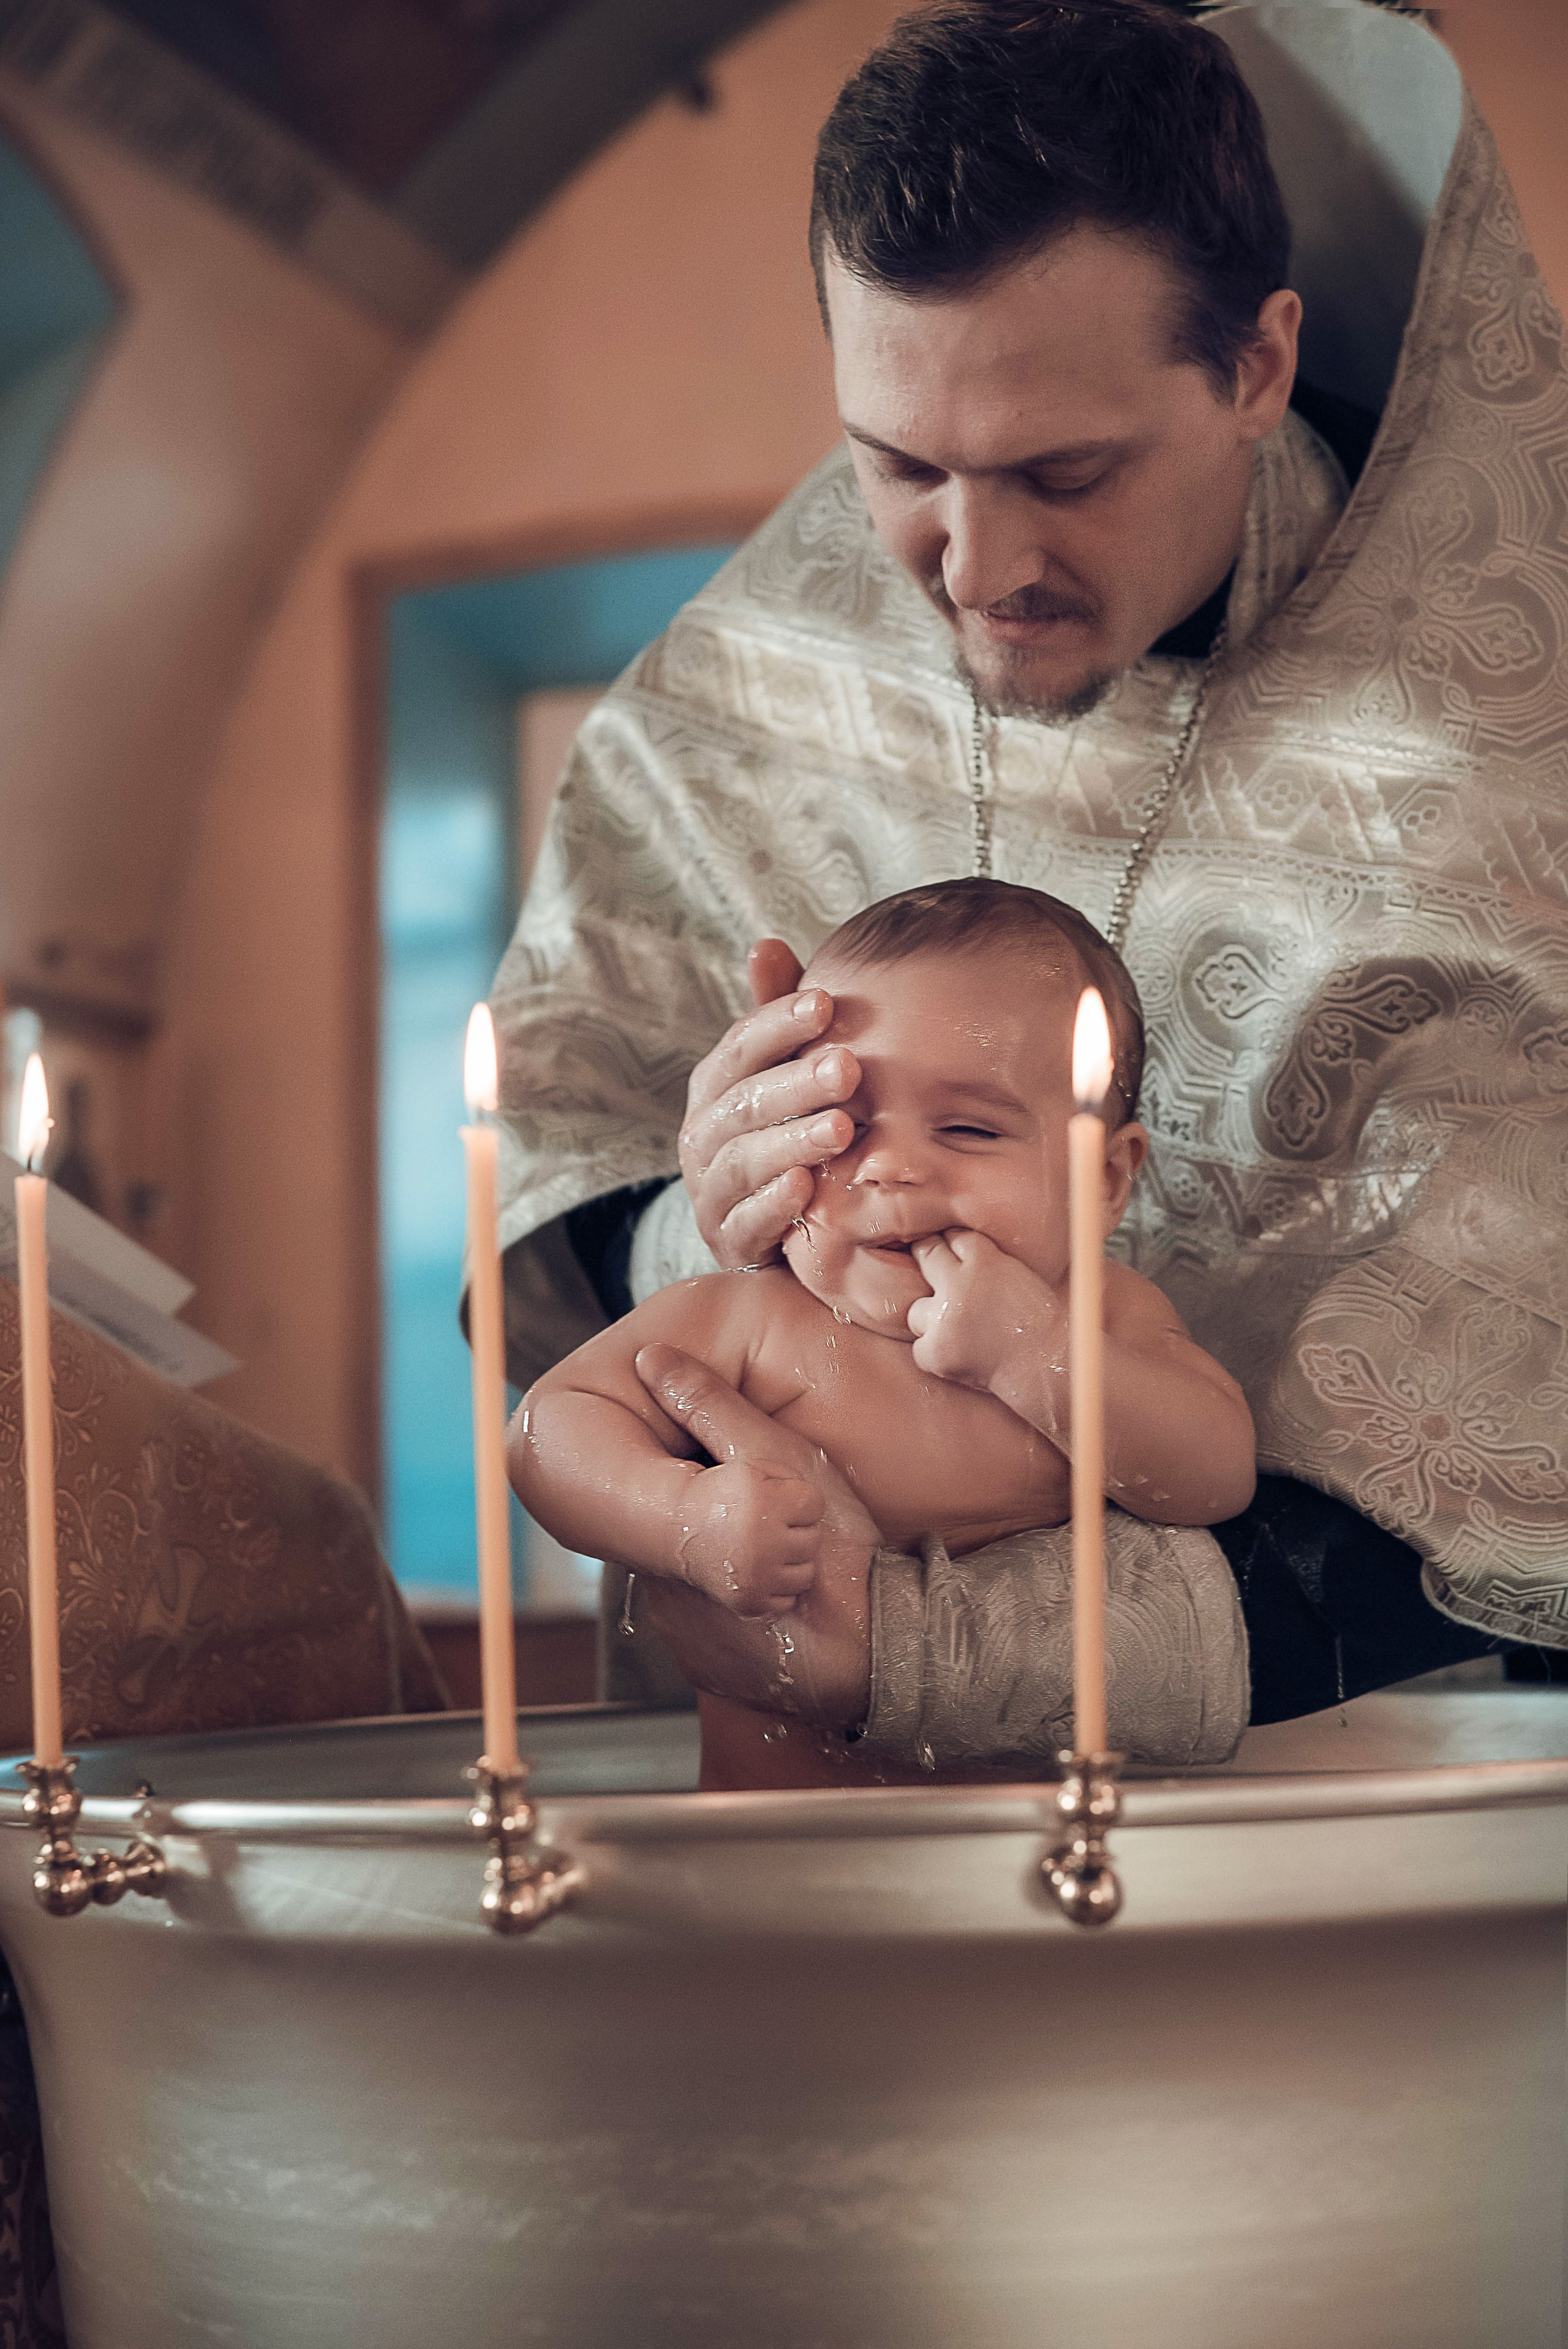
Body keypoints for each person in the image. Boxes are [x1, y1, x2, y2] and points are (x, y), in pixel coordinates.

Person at [490, 0, 1568, 1747]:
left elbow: (1506, 1397)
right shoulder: (753, 678)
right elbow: (561, 1129)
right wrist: (717, 1208)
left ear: (1255, 366)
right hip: (784, 1721)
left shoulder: (1514, 723)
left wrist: (936, 1651)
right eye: (898, 466)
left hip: (1355, 1760)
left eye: (1066, 472)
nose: (975, 568)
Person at [512, 881, 1254, 1784]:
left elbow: (1216, 1475)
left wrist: (1043, 1357)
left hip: (1049, 1830)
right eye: (842, 1126)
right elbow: (550, 1431)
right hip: (784, 1835)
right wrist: (682, 1518)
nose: (890, 1166)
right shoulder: (750, 1317)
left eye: (969, 1128)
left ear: (1103, 1179)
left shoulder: (1102, 1314)